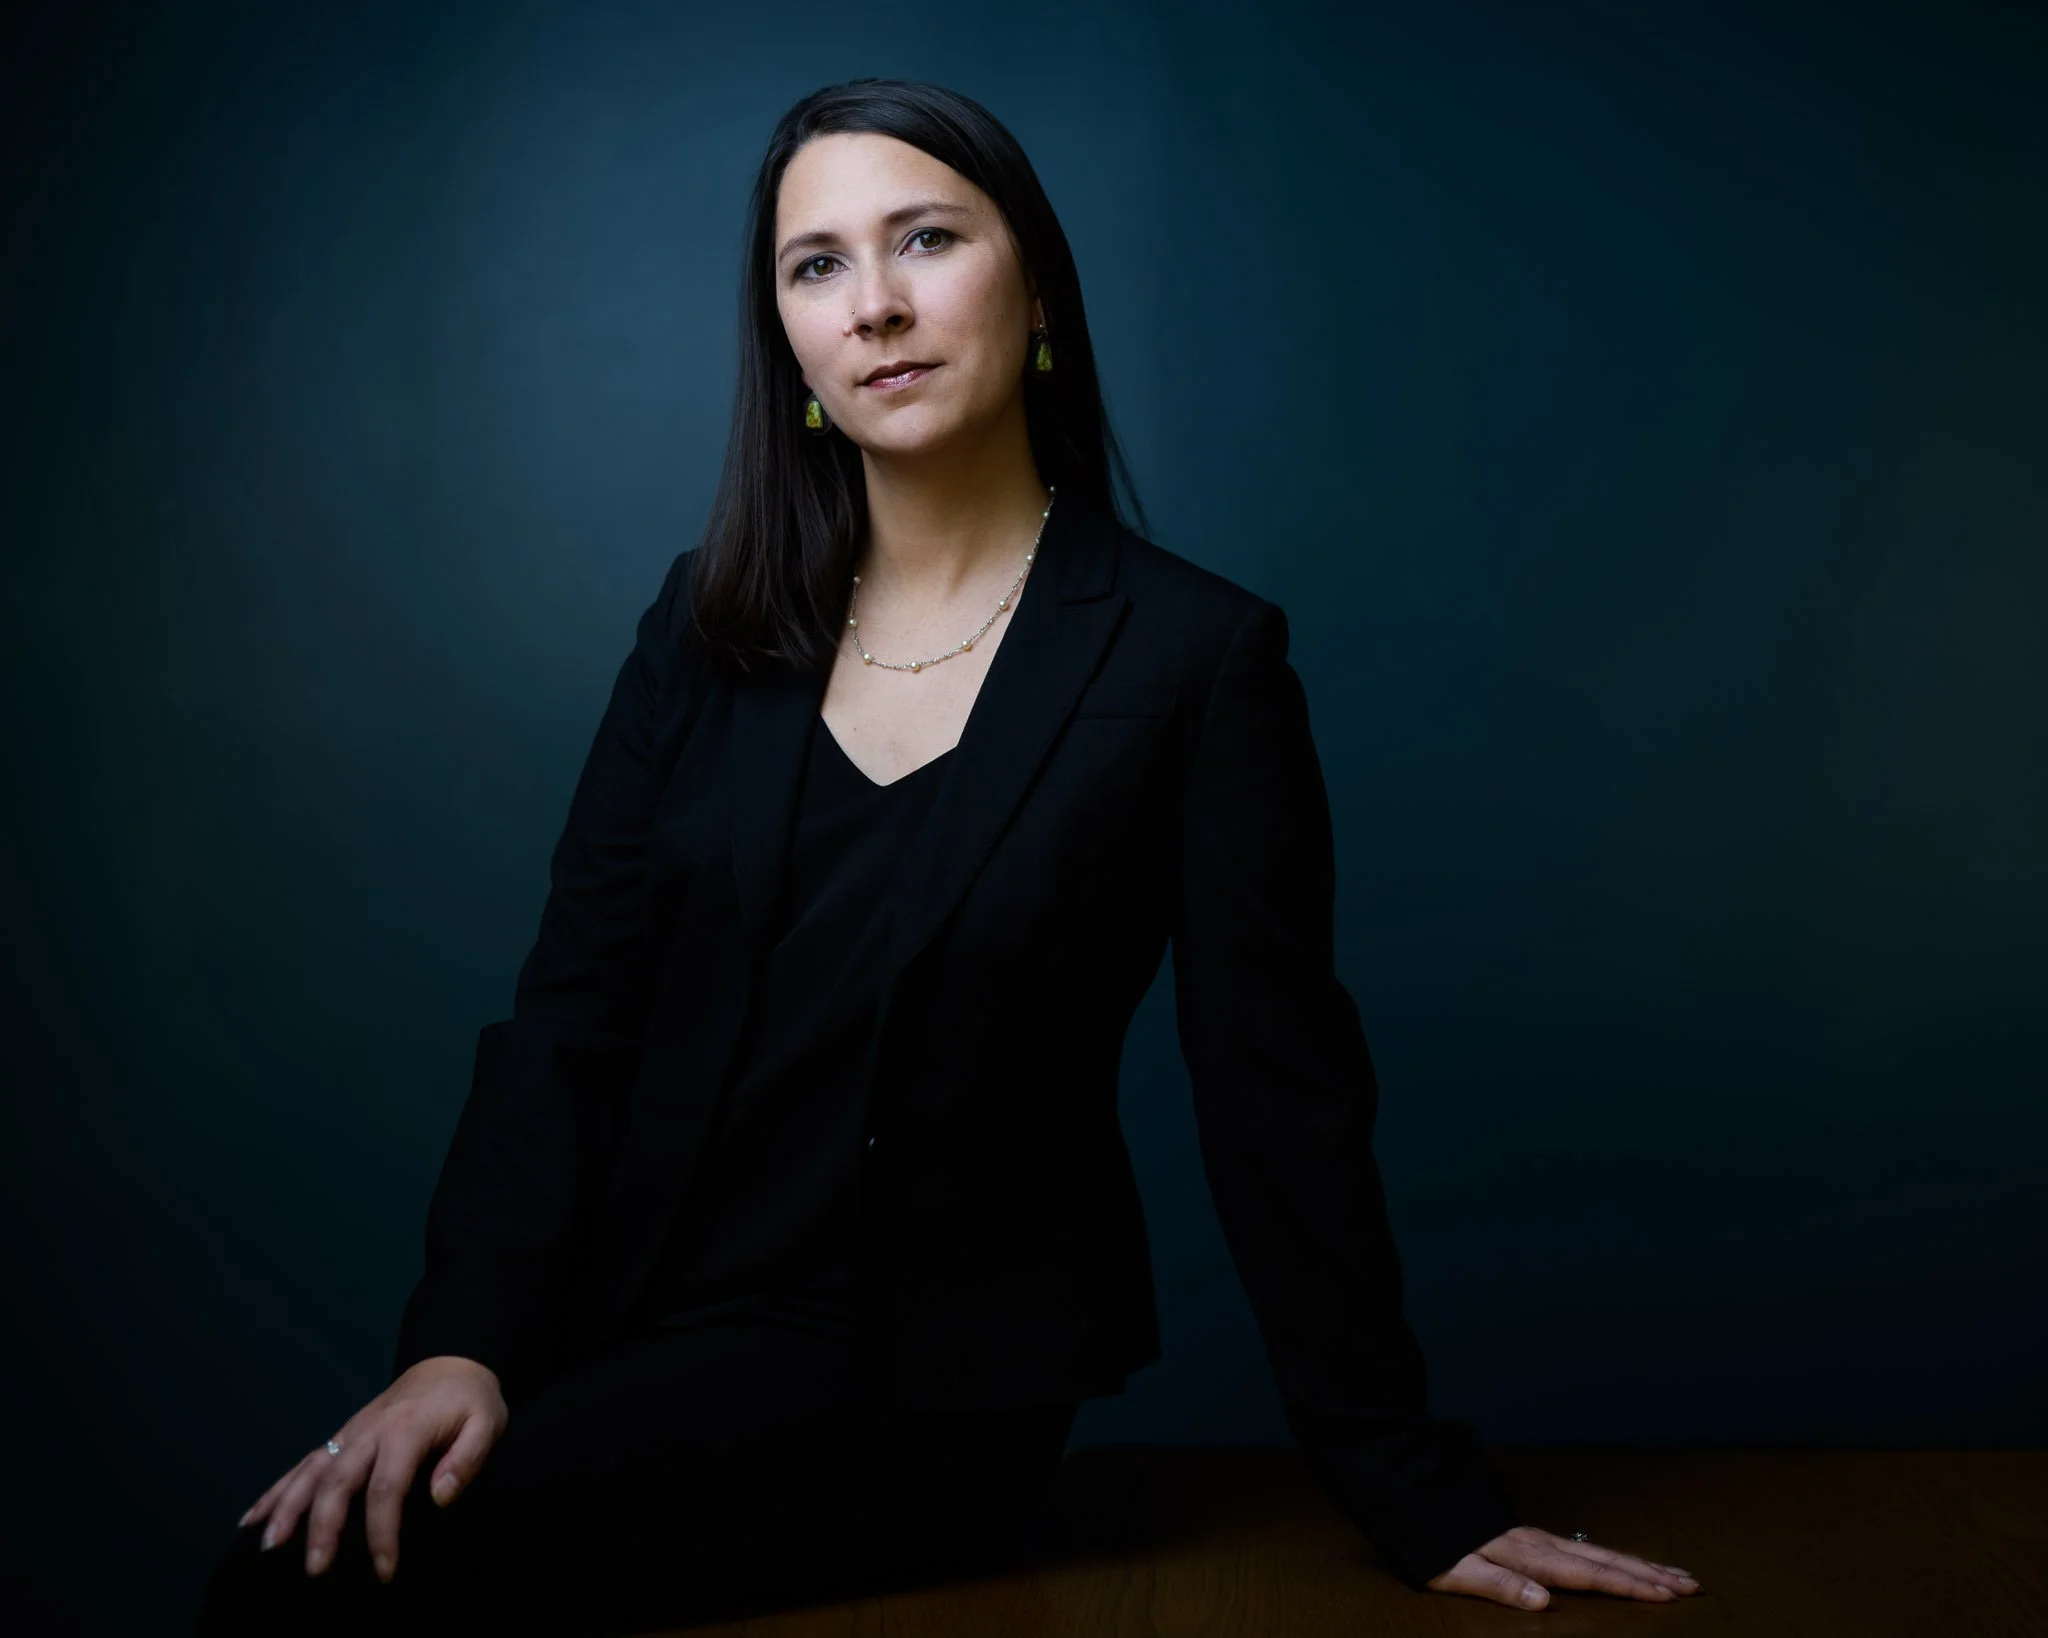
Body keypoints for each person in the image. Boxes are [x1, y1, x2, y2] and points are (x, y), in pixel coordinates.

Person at [196, 76, 1702, 1633]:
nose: (879, 305)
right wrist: (465, 1340)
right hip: (617, 1315)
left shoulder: (1193, 659)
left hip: (916, 1378)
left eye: (927, 238)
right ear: (783, 335)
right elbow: (573, 1013)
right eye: (818, 264)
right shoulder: (703, 626)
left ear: (1035, 287)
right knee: (305, 1554)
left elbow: (1280, 1090)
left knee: (293, 1594)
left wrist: (1406, 1477)